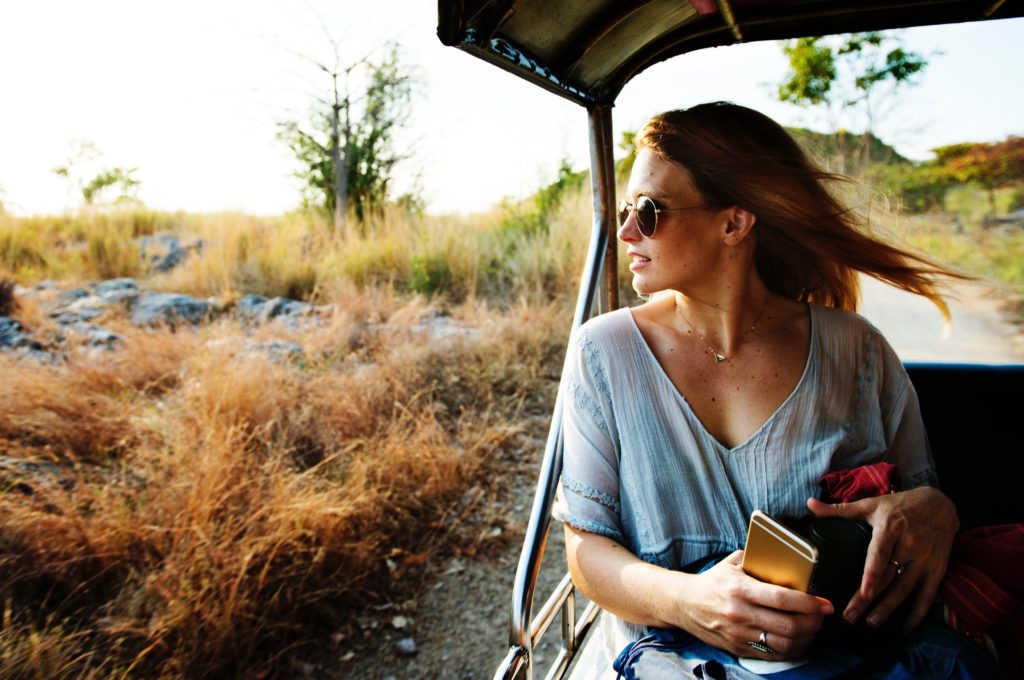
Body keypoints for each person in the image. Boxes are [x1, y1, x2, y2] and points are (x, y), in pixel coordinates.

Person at [552, 101, 997, 677]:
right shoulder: (602, 353)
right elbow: (586, 549)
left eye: (650, 210)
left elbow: (918, 503)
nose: (627, 231)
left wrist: (938, 510)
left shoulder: (856, 350)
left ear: (734, 224)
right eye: (626, 209)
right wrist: (689, 602)